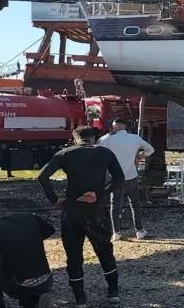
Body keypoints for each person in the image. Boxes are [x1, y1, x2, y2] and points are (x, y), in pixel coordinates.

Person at [37, 125, 125, 307]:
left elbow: (42, 177)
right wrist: (98, 194)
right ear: (93, 138)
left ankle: (80, 297)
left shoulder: (64, 154)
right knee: (104, 250)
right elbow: (119, 179)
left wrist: (54, 199)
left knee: (74, 254)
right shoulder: (105, 153)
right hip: (95, 209)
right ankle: (113, 291)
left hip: (72, 209)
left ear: (75, 139)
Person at [0, 213, 55, 308]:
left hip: (23, 287)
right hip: (46, 280)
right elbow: (50, 230)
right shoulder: (26, 218)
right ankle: (33, 302)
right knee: (21, 265)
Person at [97, 118, 155, 241]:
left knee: (115, 204)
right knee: (135, 203)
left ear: (115, 127)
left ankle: (116, 232)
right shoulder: (135, 138)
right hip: (131, 175)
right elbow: (150, 149)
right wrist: (139, 156)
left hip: (114, 176)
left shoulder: (107, 139)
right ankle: (139, 231)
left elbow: (96, 150)